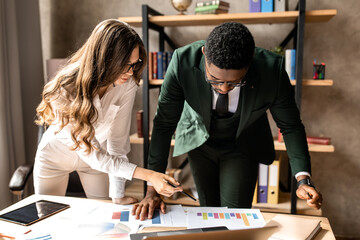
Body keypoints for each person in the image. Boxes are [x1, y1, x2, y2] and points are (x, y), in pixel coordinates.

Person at [133, 22, 323, 220]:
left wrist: (303, 180)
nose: (223, 89)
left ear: (250, 62)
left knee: (235, 216)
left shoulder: (271, 70)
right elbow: (164, 124)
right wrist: (151, 190)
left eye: (234, 83)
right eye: (214, 80)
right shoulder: (182, 62)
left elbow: (290, 126)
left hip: (242, 145)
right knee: (208, 212)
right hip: (200, 141)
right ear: (205, 54)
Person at [34, 19, 181, 204]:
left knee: (105, 217)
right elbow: (92, 154)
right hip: (55, 158)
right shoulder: (64, 89)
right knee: (48, 215)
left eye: (135, 64)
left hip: (98, 161)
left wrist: (118, 196)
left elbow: (117, 143)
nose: (131, 71)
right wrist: (150, 175)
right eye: (125, 64)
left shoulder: (127, 83)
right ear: (104, 58)